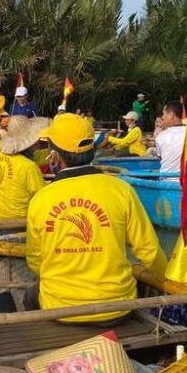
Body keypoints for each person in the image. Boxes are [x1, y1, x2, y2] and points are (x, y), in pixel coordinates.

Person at [25, 113, 168, 323]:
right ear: (93, 149)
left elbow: (35, 260)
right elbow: (149, 252)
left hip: (60, 309)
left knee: (30, 295)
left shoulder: (41, 198)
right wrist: (169, 280)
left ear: (54, 156)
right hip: (117, 308)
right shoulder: (121, 190)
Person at [0, 116, 47, 219]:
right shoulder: (29, 167)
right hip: (16, 222)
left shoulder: (3, 155)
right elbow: (42, 197)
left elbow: (38, 156)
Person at [155, 100, 186, 177]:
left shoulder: (161, 136)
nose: (162, 117)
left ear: (171, 115)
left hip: (166, 179)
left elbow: (160, 157)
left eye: (164, 114)